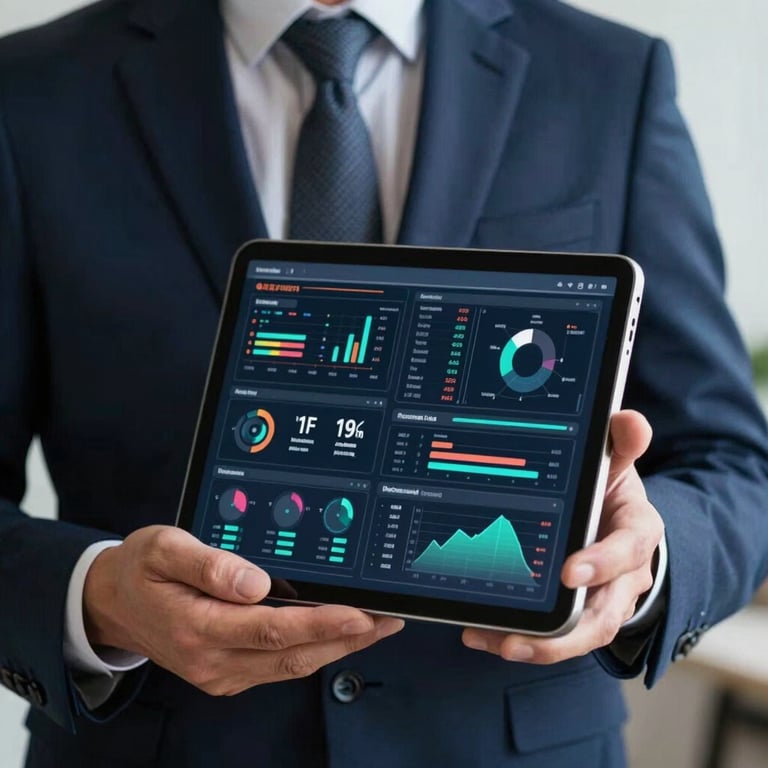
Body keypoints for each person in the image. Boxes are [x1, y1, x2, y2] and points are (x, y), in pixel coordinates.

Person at [1, 0, 766, 766]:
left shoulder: (609, 75)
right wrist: (98, 599)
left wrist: (647, 556)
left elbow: (734, 463)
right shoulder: (33, 88)